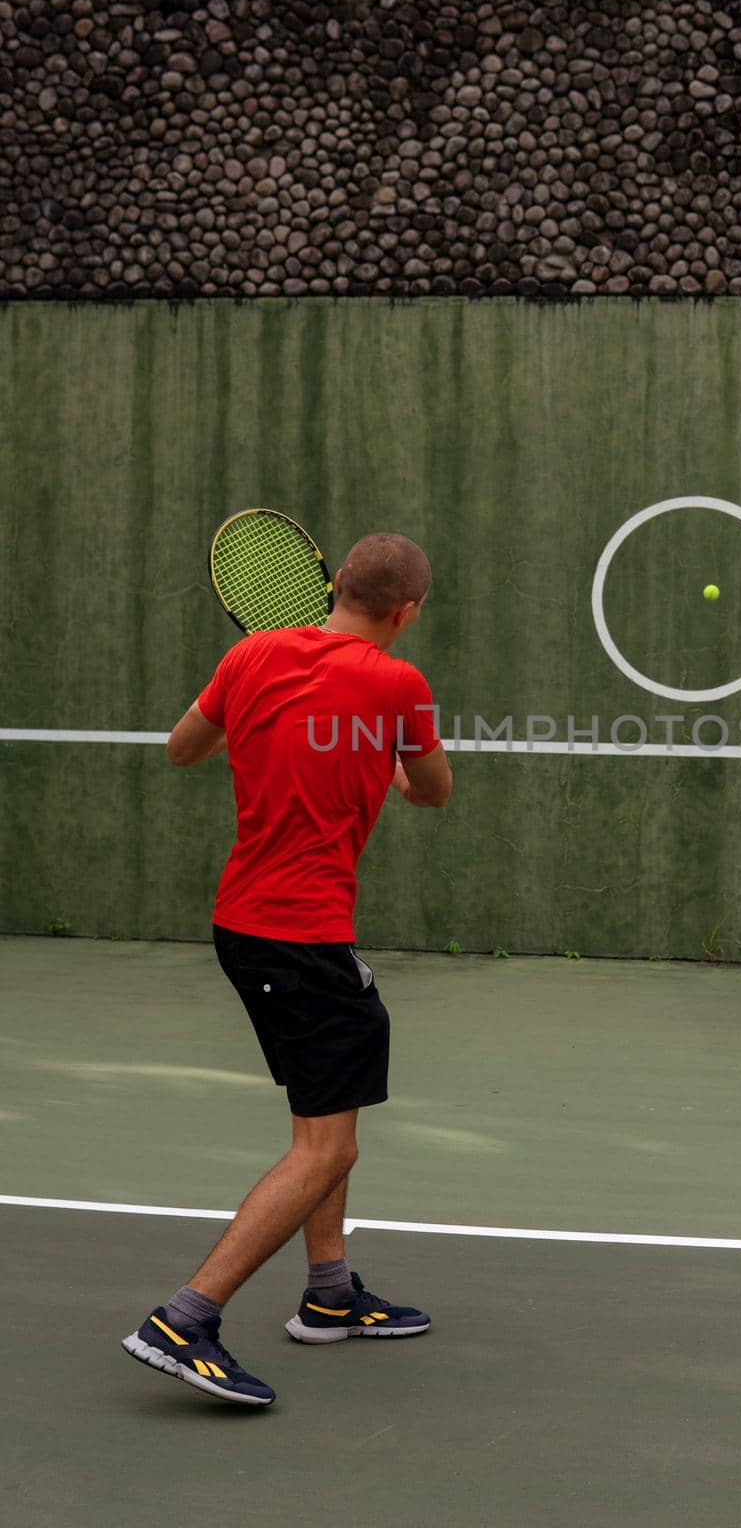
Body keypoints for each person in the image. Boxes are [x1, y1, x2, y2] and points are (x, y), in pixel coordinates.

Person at [122, 531, 452, 1407]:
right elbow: (433, 790)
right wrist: (376, 766)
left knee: (328, 1105)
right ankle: (184, 1319)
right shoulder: (398, 684)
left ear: (333, 581)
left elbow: (182, 749)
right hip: (297, 941)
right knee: (324, 1145)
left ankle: (330, 1294)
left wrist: (276, 731)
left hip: (249, 927)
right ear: (405, 612)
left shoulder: (250, 656)